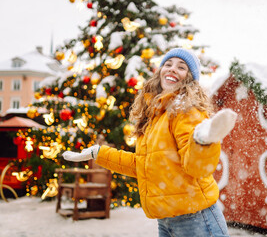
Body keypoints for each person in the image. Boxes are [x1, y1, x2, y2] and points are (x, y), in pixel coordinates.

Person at [63, 48, 237, 237]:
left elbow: (196, 166)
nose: (172, 69)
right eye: (168, 64)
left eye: (181, 67)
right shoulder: (156, 114)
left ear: (190, 78)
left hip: (196, 220)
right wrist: (99, 153)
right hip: (166, 220)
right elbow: (144, 165)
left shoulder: (186, 110)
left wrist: (203, 142)